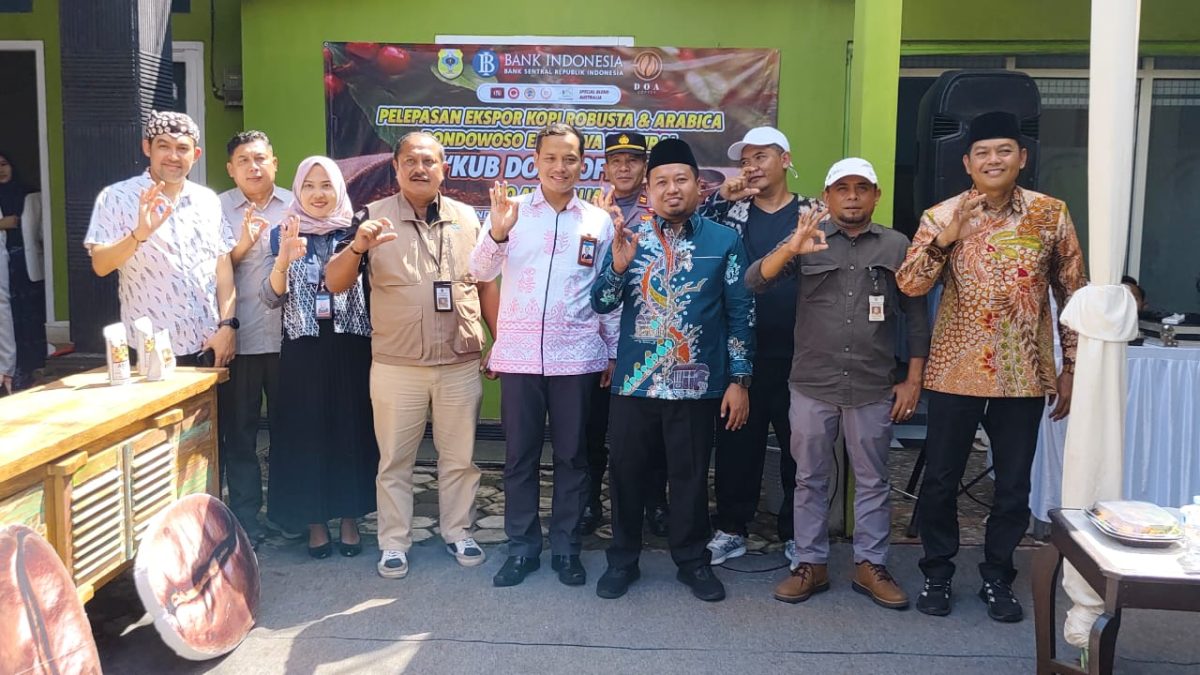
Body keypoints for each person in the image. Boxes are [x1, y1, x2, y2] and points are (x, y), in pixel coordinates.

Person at [896, 111, 1086, 622]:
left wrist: (1071, 366)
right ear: (967, 162)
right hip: (955, 370)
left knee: (1013, 485)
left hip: (1022, 372)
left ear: (1021, 158)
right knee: (941, 478)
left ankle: (998, 576)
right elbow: (910, 284)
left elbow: (1073, 294)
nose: (993, 160)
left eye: (1003, 151)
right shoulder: (942, 214)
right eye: (982, 153)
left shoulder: (1050, 214)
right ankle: (937, 571)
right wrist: (947, 238)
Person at [747, 158, 929, 610]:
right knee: (809, 477)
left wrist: (913, 380)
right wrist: (792, 249)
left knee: (873, 479)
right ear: (826, 197)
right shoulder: (808, 237)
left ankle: (871, 565)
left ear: (876, 195)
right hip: (812, 382)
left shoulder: (896, 244)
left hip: (872, 384)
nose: (852, 196)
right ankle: (811, 563)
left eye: (861, 188)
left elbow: (915, 316)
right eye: (842, 188)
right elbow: (755, 282)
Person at [325, 132, 499, 579]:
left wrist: (498, 340)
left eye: (429, 161)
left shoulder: (467, 218)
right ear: (396, 168)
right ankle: (394, 541)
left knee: (459, 458)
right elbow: (334, 282)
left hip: (458, 362)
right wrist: (358, 246)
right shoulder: (372, 218)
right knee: (395, 462)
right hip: (396, 364)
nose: (420, 169)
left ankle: (459, 531)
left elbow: (484, 284)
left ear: (444, 169)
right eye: (410, 161)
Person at [591, 138, 754, 602]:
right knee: (626, 475)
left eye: (681, 179)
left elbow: (741, 314)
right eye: (661, 181)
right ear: (649, 189)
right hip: (634, 383)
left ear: (699, 186)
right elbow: (600, 302)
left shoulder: (724, 241)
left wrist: (739, 380)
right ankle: (622, 560)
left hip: (695, 384)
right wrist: (617, 268)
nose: (672, 189)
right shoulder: (630, 237)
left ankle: (692, 561)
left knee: (690, 476)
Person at [470, 123, 617, 588]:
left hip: (577, 356)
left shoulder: (597, 221)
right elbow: (478, 271)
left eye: (570, 158)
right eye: (551, 158)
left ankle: (567, 549)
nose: (560, 167)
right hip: (519, 357)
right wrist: (497, 233)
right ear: (535, 162)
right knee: (520, 457)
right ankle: (522, 548)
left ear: (582, 164)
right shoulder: (510, 213)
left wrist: (613, 350)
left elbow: (608, 291)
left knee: (573, 456)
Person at [699, 126, 823, 565]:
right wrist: (721, 196)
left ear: (785, 160)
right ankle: (732, 528)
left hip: (801, 350)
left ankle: (797, 533)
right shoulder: (730, 212)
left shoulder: (814, 212)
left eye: (761, 157)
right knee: (737, 443)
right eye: (746, 160)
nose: (752, 167)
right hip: (741, 349)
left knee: (798, 447)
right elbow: (692, 230)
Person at [262, 156, 379, 559]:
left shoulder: (355, 230)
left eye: (326, 185)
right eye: (309, 185)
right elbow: (270, 297)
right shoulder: (284, 231)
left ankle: (349, 518)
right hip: (303, 347)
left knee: (350, 429)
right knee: (306, 433)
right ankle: (314, 522)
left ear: (339, 189)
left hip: (351, 344)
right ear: (297, 190)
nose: (318, 194)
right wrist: (283, 260)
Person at [84, 111, 237, 367]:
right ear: (147, 148)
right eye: (163, 146)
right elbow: (100, 265)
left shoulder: (207, 200)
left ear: (196, 154)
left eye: (182, 148)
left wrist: (228, 326)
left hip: (208, 345)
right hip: (149, 350)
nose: (173, 156)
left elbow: (223, 271)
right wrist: (139, 235)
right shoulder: (116, 197)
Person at [579, 131, 670, 538]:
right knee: (592, 427)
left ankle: (655, 502)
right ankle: (589, 501)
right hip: (597, 337)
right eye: (616, 161)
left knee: (652, 431)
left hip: (648, 339)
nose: (624, 167)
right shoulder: (588, 214)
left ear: (644, 167)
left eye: (632, 160)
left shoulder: (661, 211)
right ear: (605, 168)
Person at [217, 131, 293, 543]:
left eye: (261, 158)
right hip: (239, 338)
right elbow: (210, 270)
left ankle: (286, 513)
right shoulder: (216, 210)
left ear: (274, 163)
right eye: (244, 160)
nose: (253, 167)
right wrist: (243, 245)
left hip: (289, 340)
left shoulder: (296, 205)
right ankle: (246, 517)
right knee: (240, 433)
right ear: (231, 169)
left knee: (289, 431)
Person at [0, 151, 46, 391]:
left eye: (4, 164)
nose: (1, 170)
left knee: (30, 316)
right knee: (11, 320)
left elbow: (41, 231)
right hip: (5, 263)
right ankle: (15, 369)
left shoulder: (30, 194)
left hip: (26, 264)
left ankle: (33, 366)